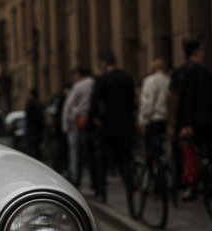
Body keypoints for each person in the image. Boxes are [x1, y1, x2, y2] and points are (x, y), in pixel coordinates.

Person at [169, 39, 212, 200]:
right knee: (209, 154)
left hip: (194, 123)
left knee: (190, 155)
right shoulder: (205, 71)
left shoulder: (185, 71)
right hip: (209, 122)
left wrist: (186, 124)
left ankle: (193, 186)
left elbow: (186, 100)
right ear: (196, 52)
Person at [89, 50, 136, 200]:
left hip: (108, 127)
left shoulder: (102, 80)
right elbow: (132, 101)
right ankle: (130, 188)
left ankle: (102, 192)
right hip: (125, 126)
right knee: (125, 160)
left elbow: (95, 103)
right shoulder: (127, 77)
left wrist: (95, 119)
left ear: (104, 63)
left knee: (102, 160)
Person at [63, 66, 94, 193]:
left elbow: (68, 106)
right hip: (92, 122)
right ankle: (93, 182)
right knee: (90, 154)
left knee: (75, 153)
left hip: (77, 123)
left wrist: (66, 124)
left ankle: (75, 179)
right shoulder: (94, 84)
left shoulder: (78, 86)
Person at [137, 58, 170, 174]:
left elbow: (148, 102)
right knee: (161, 148)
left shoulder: (150, 81)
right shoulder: (167, 80)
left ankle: (153, 176)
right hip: (164, 119)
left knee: (151, 150)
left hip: (153, 119)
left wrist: (142, 120)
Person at [24, 88, 46, 160]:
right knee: (37, 150)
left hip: (32, 131)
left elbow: (29, 116)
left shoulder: (30, 104)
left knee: (31, 150)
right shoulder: (40, 104)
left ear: (32, 95)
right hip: (38, 131)